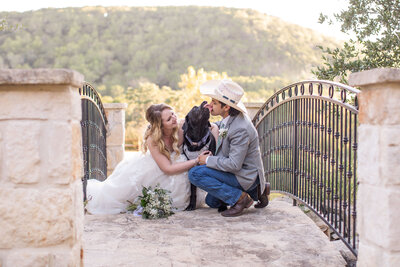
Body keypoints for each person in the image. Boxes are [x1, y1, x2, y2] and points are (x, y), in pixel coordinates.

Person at [86, 103, 215, 215]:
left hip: (177, 161)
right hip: (156, 167)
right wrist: (196, 161)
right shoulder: (153, 139)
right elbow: (167, 169)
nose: (174, 118)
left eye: (173, 114)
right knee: (119, 194)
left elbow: (209, 126)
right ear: (160, 125)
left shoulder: (181, 125)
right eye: (169, 119)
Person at [189, 79, 270, 217]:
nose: (210, 105)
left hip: (243, 174)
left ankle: (241, 198)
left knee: (195, 173)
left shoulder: (241, 129)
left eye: (214, 103)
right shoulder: (230, 118)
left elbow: (234, 165)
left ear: (226, 107)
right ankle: (257, 190)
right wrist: (202, 120)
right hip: (238, 172)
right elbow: (220, 125)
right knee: (212, 202)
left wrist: (208, 160)